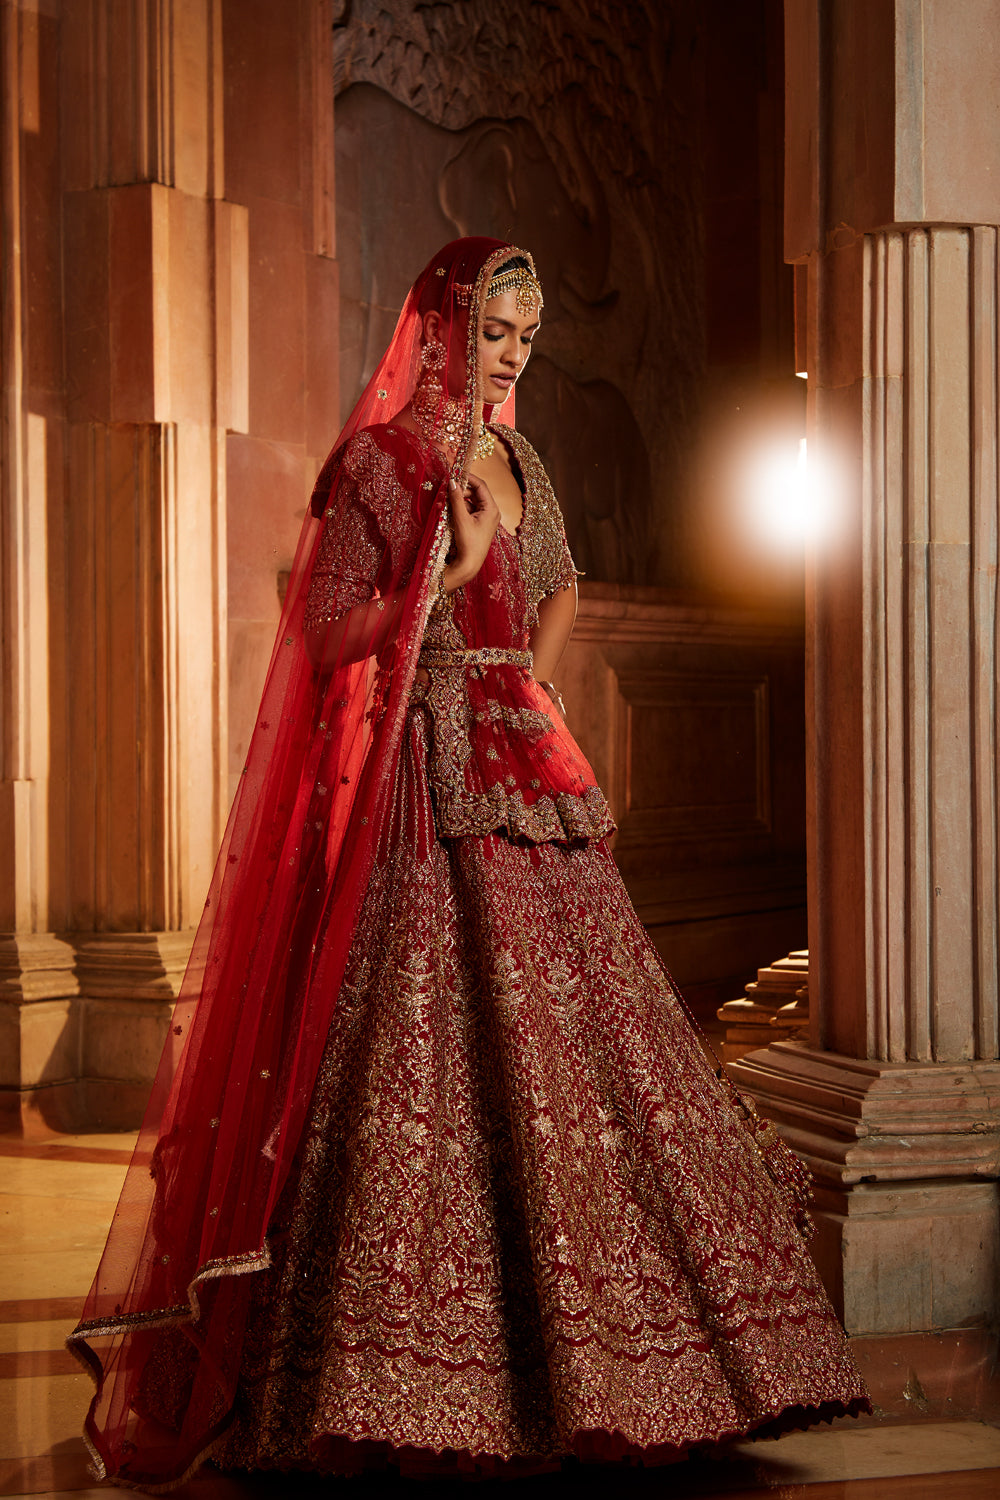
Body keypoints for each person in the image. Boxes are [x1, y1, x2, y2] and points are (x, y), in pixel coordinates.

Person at [68, 237, 868, 1488]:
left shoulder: (515, 457)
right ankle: (412, 1369)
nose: (507, 356)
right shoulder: (379, 465)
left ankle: (632, 1361)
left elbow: (562, 586)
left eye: (524, 338)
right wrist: (442, 584)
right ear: (436, 329)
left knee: (590, 1047)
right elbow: (326, 634)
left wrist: (533, 677)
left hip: (527, 769)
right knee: (420, 1049)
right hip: (420, 781)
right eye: (491, 332)